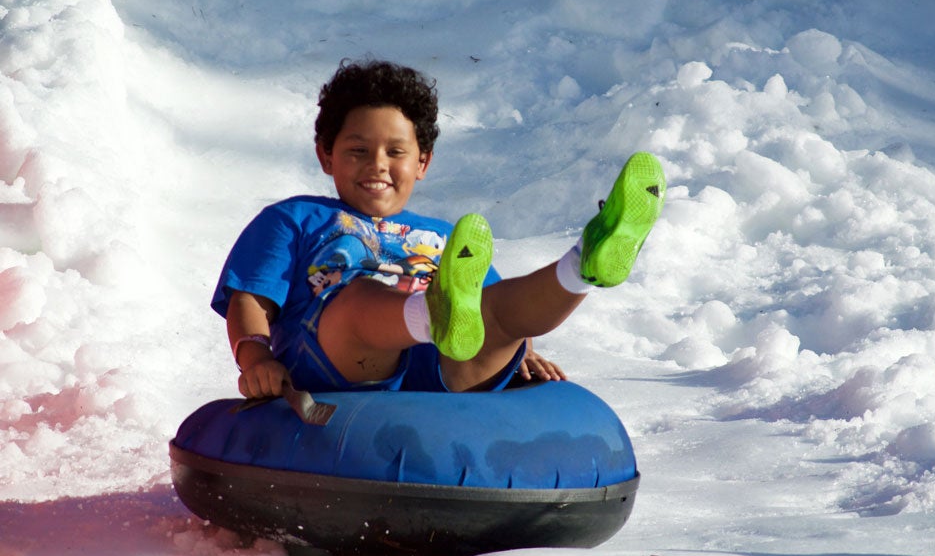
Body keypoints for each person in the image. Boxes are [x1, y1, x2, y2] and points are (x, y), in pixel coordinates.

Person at [211, 59, 665, 398]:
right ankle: (431, 312)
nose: (377, 165)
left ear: (423, 161)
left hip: (441, 368)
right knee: (359, 300)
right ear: (325, 155)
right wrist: (256, 357)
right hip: (341, 359)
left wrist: (518, 348)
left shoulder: (444, 235)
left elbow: (489, 306)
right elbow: (250, 300)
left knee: (496, 314)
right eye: (357, 150)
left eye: (395, 152)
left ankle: (584, 263)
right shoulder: (295, 218)